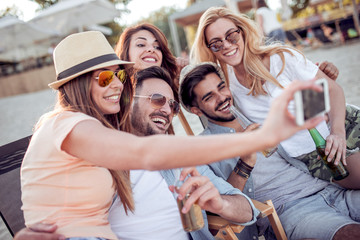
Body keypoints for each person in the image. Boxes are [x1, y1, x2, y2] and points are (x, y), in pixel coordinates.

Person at [19, 31, 322, 239]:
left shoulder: (108, 143)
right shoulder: (66, 124)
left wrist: (218, 203)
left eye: (120, 75)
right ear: (76, 84)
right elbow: (146, 153)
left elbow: (243, 209)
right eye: (105, 77)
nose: (116, 85)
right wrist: (263, 136)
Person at [15, 66, 259, 240]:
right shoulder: (96, 166)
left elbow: (249, 209)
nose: (166, 110)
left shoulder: (180, 162)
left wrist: (220, 203)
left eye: (172, 105)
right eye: (156, 99)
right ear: (128, 100)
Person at [179, 62, 360, 240]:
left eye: (222, 87)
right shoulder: (203, 148)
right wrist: (245, 162)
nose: (222, 98)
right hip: (291, 210)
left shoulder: (256, 110)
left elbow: (310, 113)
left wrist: (321, 80)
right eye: (209, 97)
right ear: (196, 110)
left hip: (330, 188)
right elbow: (223, 207)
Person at [190, 6, 360, 187]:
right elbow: (194, 88)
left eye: (231, 35)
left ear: (243, 32)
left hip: (341, 123)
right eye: (216, 43)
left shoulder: (281, 57)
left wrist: (337, 132)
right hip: (310, 151)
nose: (226, 45)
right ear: (209, 49)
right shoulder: (225, 85)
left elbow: (333, 90)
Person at [114, 22, 189, 134]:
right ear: (126, 51)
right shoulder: (113, 97)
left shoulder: (172, 93)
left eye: (157, 47)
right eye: (141, 45)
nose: (151, 49)